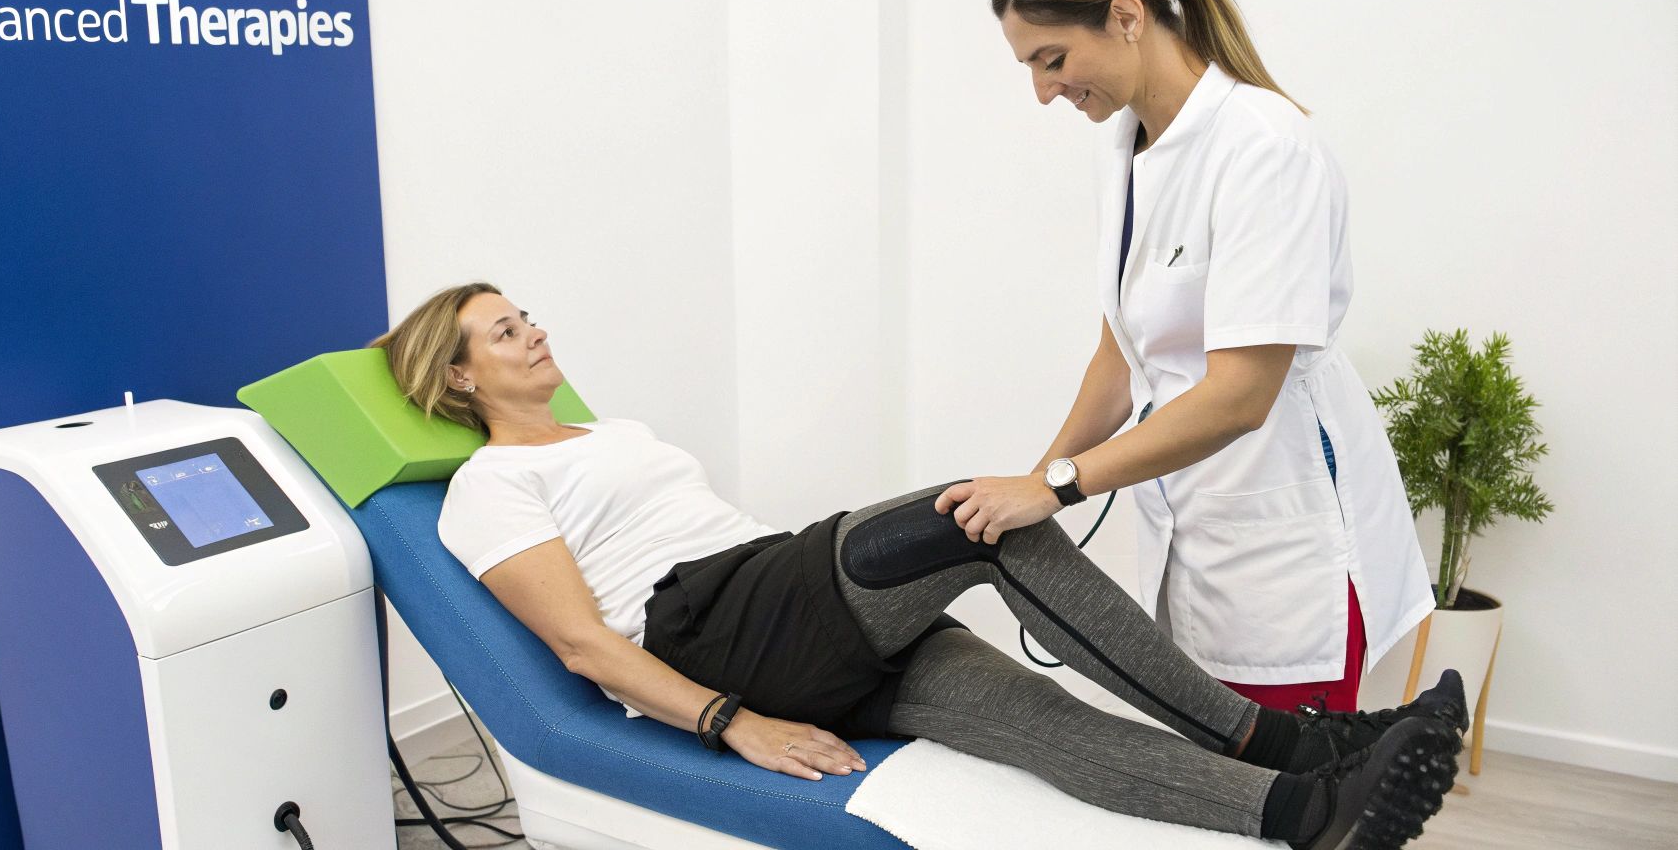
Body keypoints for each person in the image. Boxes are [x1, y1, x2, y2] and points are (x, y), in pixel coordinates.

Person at [373, 283, 1467, 849]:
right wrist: (728, 724)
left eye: (524, 316)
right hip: (717, 625)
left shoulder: (606, 427)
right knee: (983, 514)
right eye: (500, 332)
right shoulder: (487, 486)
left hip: (791, 611)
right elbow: (580, 641)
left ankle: (1305, 809)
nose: (530, 333)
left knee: (1040, 720)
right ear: (457, 377)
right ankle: (1279, 735)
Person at [935, 0, 1435, 713]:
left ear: (1127, 17)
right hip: (1194, 530)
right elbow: (1119, 355)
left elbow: (1241, 396)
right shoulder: (1123, 145)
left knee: (1293, 800)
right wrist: (1034, 485)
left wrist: (1060, 486)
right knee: (1219, 790)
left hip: (1283, 542)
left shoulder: (1263, 149)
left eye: (1052, 58)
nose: (1042, 90)